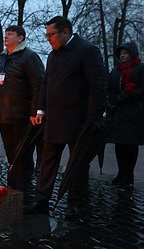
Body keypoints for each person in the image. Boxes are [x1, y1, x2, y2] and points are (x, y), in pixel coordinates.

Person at [26, 16, 107, 218]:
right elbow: (46, 84)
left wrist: (92, 119)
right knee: (47, 160)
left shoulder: (87, 51)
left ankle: (76, 204)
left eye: (51, 35)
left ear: (66, 32)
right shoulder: (53, 55)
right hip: (54, 119)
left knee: (77, 164)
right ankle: (41, 199)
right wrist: (40, 110)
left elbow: (98, 86)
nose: (48, 39)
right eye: (46, 36)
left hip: (79, 121)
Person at [0, 25, 44, 192]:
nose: (6, 37)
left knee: (23, 153)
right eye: (5, 34)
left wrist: (35, 111)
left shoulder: (29, 57)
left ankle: (24, 189)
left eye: (10, 34)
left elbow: (38, 84)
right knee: (11, 153)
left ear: (20, 38)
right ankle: (14, 185)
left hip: (21, 116)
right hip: (5, 115)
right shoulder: (3, 57)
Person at [108, 42, 144, 187]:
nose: (122, 56)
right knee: (120, 144)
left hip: (134, 112)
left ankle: (129, 175)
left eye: (125, 53)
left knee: (130, 145)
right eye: (121, 53)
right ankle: (121, 173)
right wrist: (113, 99)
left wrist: (131, 94)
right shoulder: (116, 71)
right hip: (119, 112)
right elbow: (109, 88)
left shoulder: (140, 69)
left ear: (132, 54)